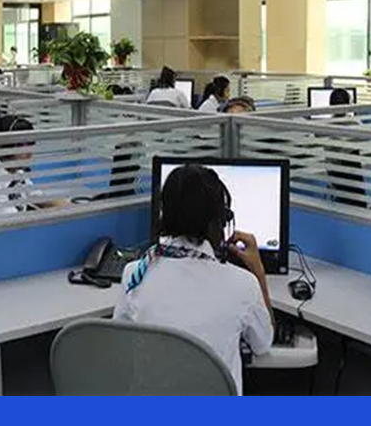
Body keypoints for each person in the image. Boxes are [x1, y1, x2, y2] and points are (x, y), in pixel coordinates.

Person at [113, 164, 274, 396]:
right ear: (218, 222)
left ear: (164, 214)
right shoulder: (244, 285)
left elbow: (120, 344)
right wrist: (258, 270)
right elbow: (263, 344)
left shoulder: (134, 275)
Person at [0, 114, 67, 218]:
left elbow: (40, 199)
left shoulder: (16, 173)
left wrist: (71, 207)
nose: (28, 151)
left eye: (30, 143)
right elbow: (14, 221)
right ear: (3, 147)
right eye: (20, 145)